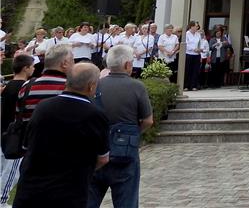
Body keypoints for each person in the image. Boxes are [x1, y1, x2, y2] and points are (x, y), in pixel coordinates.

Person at [12, 63, 109, 208]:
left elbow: (27, 145)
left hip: (32, 188)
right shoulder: (95, 115)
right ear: (91, 86)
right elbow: (103, 158)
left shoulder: (43, 107)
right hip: (69, 191)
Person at [88, 45, 153, 208]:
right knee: (126, 200)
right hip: (125, 149)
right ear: (127, 65)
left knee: (89, 198)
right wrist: (136, 132)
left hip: (96, 150)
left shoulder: (96, 85)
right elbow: (148, 120)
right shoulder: (137, 86)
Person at [0, 55, 35, 207]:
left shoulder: (8, 86)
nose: (33, 68)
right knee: (12, 170)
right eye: (32, 66)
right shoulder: (24, 87)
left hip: (4, 129)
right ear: (25, 68)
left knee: (3, 167)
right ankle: (2, 199)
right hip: (15, 134)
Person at [183, 21, 203, 91]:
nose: (197, 27)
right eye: (196, 26)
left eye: (197, 26)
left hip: (197, 55)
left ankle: (194, 85)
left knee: (195, 70)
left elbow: (200, 43)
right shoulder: (186, 34)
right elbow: (186, 44)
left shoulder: (198, 34)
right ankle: (186, 86)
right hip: (189, 54)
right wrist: (193, 49)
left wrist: (200, 49)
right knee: (188, 70)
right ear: (191, 26)